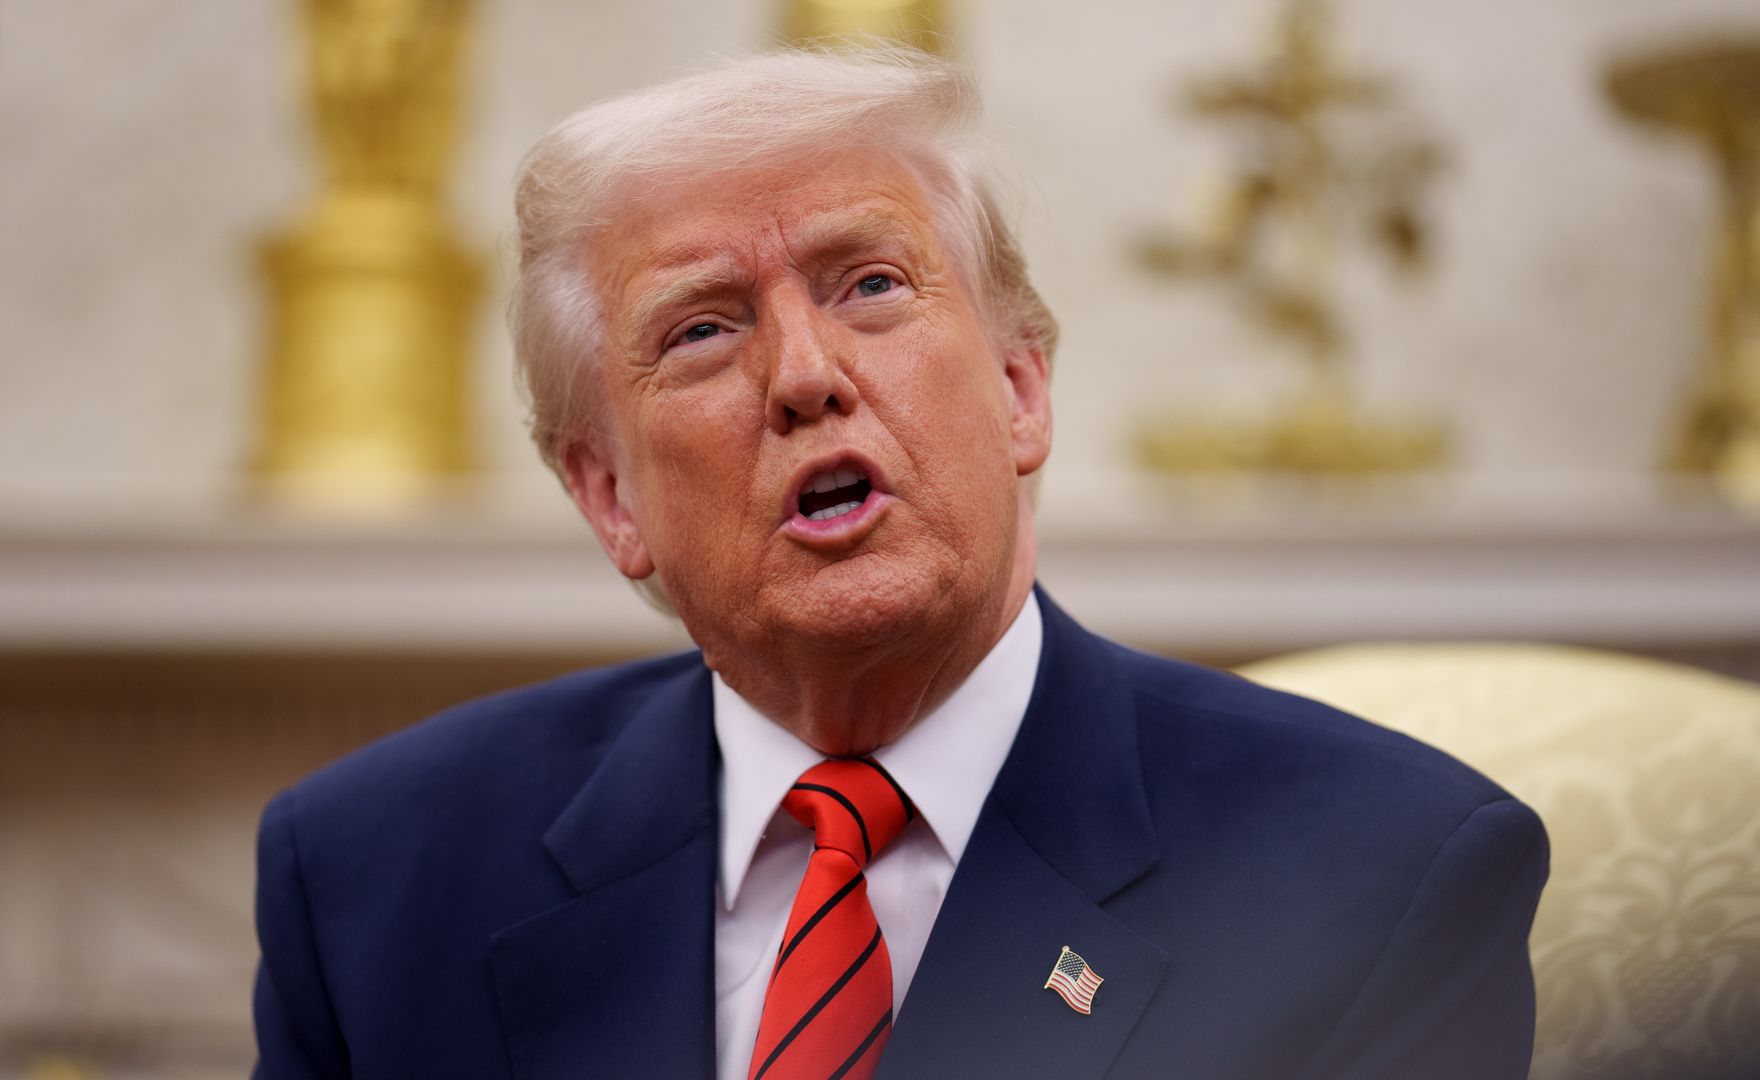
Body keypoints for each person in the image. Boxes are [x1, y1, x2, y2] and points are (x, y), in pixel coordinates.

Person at [251, 47, 1548, 1080]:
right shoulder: (377, 880)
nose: (807, 377)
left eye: (869, 284)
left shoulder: (1377, 879)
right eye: (702, 329)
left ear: (1020, 387)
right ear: (607, 495)